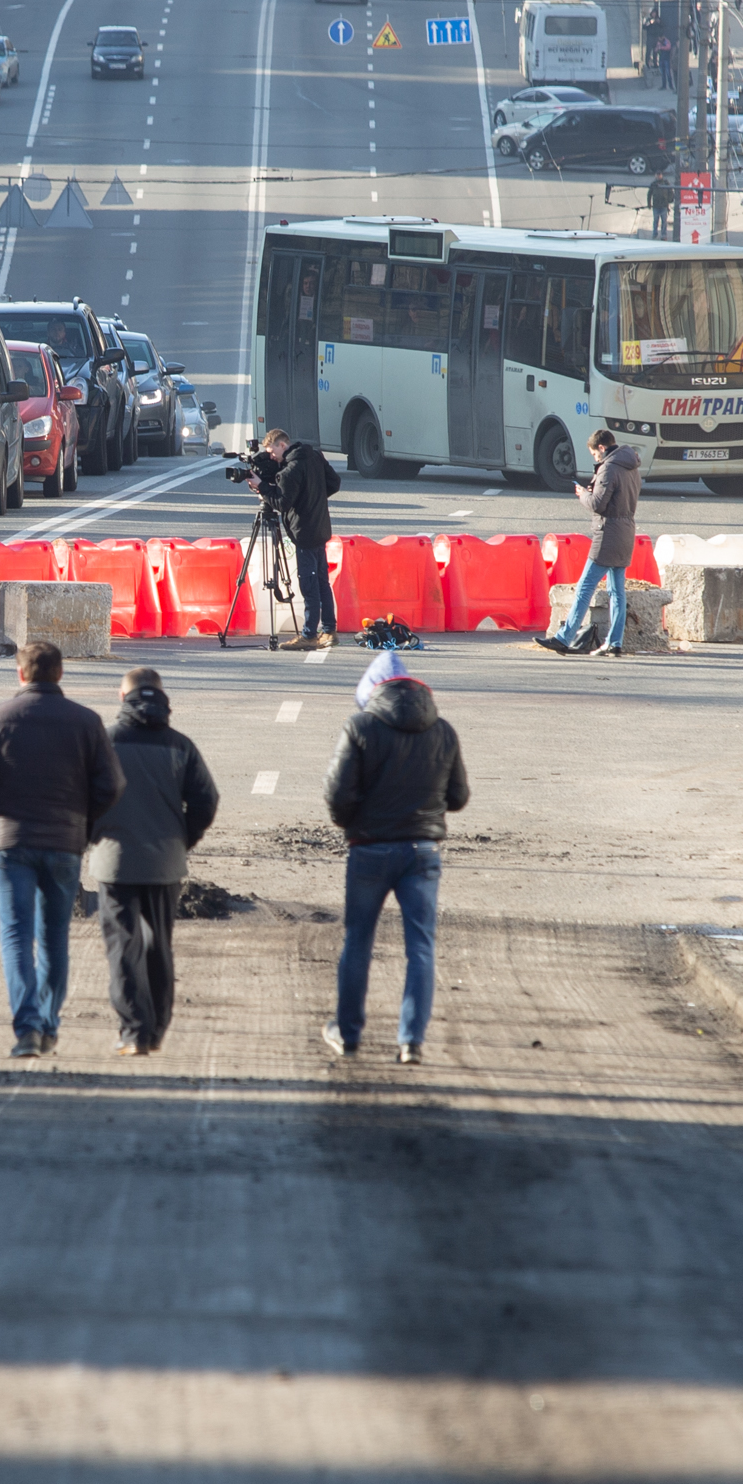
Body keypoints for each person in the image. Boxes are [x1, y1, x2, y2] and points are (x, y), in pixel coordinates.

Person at [0, 638, 124, 1058]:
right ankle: (47, 1023)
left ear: (21, 674)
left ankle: (27, 1027)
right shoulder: (86, 722)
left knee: (15, 933)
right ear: (60, 673)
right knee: (53, 937)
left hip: (11, 843)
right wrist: (85, 824)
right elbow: (111, 785)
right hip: (65, 843)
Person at [323, 648, 469, 1064]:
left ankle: (348, 1034)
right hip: (423, 852)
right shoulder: (442, 730)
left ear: (371, 692)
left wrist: (356, 822)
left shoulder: (360, 726)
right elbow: (457, 797)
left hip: (369, 849)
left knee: (358, 942)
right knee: (420, 947)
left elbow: (337, 795)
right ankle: (411, 1041)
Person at [86, 667, 219, 1057]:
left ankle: (134, 1031)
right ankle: (157, 1028)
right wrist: (182, 839)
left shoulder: (105, 743)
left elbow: (85, 800)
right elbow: (205, 802)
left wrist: (93, 837)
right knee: (159, 945)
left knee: (124, 944)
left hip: (115, 862)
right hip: (166, 863)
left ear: (121, 696)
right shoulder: (181, 746)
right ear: (162, 696)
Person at [541, 424, 641, 654]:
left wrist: (583, 494)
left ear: (602, 448)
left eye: (595, 454)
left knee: (585, 587)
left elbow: (598, 504)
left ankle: (564, 638)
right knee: (617, 592)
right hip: (626, 532)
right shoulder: (631, 466)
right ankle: (615, 643)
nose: (595, 458)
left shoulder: (609, 468)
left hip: (607, 534)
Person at [256, 425, 341, 653]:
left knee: (309, 585)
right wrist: (312, 497)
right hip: (321, 527)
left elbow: (282, 503)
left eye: (273, 452)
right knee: (323, 582)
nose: (272, 458)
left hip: (305, 532)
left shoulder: (291, 470)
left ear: (282, 444)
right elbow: (334, 482)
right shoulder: (313, 455)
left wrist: (261, 487)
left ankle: (309, 635)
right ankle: (329, 631)